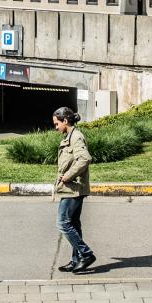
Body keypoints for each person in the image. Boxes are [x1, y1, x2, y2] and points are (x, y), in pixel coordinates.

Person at [52, 106, 96, 273]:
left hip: (74, 188)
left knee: (63, 223)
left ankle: (86, 254)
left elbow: (84, 159)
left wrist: (69, 176)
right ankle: (76, 260)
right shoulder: (70, 136)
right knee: (74, 225)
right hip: (71, 188)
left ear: (65, 121)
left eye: (57, 124)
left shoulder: (76, 137)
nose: (56, 127)